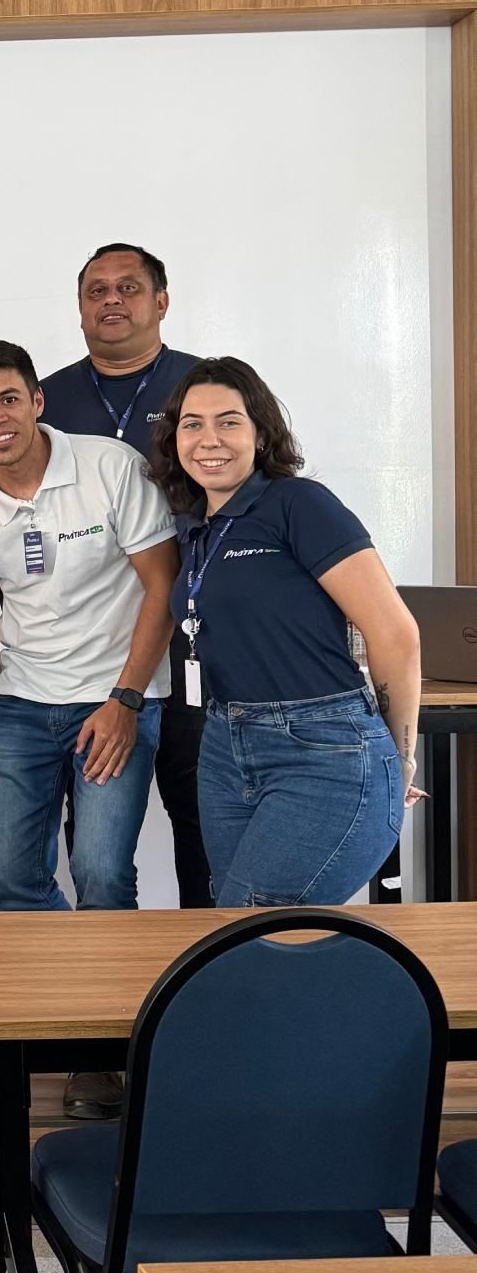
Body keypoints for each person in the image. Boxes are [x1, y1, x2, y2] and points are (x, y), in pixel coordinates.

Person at [0, 341, 179, 1118]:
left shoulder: (111, 467)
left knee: (104, 872)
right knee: (10, 875)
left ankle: (103, 1055)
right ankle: (60, 1019)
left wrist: (125, 699)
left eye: (6, 399)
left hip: (116, 698)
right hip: (21, 704)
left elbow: (160, 585)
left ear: (37, 400)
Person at [150, 357, 420, 906]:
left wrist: (400, 752)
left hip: (324, 746)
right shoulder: (198, 526)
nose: (210, 439)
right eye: (192, 424)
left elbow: (395, 634)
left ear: (260, 432)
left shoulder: (299, 504)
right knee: (232, 925)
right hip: (226, 744)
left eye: (229, 421)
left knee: (254, 925)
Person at [38, 242, 210, 905]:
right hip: (95, 641)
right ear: (79, 309)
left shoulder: (209, 387)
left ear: (161, 302)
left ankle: (212, 970)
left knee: (200, 808)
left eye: (128, 288)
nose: (112, 300)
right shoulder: (46, 401)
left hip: (196, 632)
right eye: (96, 291)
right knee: (98, 836)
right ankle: (110, 987)